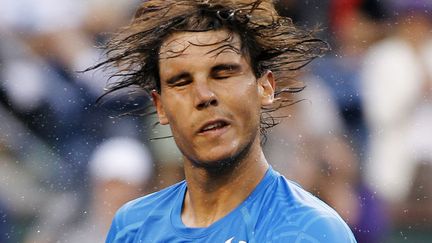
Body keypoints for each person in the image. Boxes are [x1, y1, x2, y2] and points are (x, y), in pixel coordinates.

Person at [91, 0, 357, 242]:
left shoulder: (311, 231)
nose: (204, 96)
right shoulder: (132, 227)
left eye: (223, 74)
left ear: (265, 87)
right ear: (160, 107)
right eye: (181, 82)